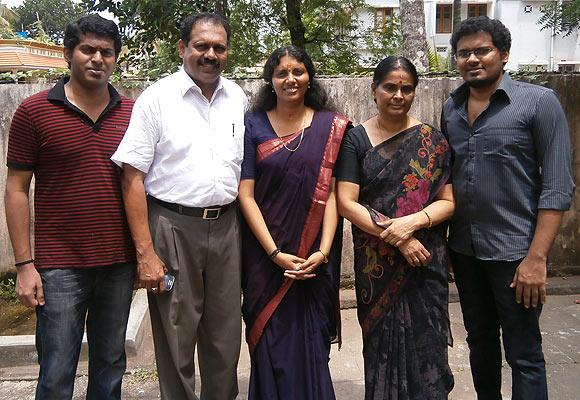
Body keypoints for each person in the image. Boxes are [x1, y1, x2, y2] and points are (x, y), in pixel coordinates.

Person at [111, 12, 247, 400]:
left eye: (218, 47)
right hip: (172, 226)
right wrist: (145, 254)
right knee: (176, 334)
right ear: (182, 48)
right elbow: (131, 178)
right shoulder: (157, 99)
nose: (210, 54)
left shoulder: (236, 97)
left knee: (225, 335)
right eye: (201, 45)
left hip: (226, 226)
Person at [441, 16, 575, 399]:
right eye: (463, 53)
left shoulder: (539, 103)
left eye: (481, 50)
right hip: (465, 253)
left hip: (516, 256)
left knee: (524, 353)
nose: (472, 59)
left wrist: (537, 259)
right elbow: (447, 181)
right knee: (480, 345)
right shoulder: (451, 109)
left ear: (503, 54)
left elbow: (557, 188)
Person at [4, 15, 135, 400]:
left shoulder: (131, 113)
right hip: (59, 266)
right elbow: (16, 189)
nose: (97, 59)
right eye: (87, 49)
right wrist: (25, 266)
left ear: (115, 59)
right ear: (68, 54)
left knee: (111, 366)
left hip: (118, 262)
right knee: (57, 370)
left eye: (106, 52)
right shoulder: (34, 112)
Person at [336, 56, 455, 399]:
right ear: (374, 90)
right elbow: (346, 202)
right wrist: (400, 238)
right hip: (379, 266)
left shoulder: (433, 141)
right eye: (390, 87)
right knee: (381, 351)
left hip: (425, 263)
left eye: (406, 88)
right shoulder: (355, 140)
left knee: (428, 347)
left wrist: (413, 223)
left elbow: (448, 201)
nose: (398, 95)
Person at [239, 45, 349, 400]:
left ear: (309, 76)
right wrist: (273, 253)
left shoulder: (330, 126)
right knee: (269, 341)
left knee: (312, 343)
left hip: (314, 259)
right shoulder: (252, 125)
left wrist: (324, 251)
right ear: (271, 80)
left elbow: (332, 195)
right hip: (265, 259)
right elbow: (246, 194)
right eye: (282, 72)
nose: (290, 79)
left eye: (298, 71)